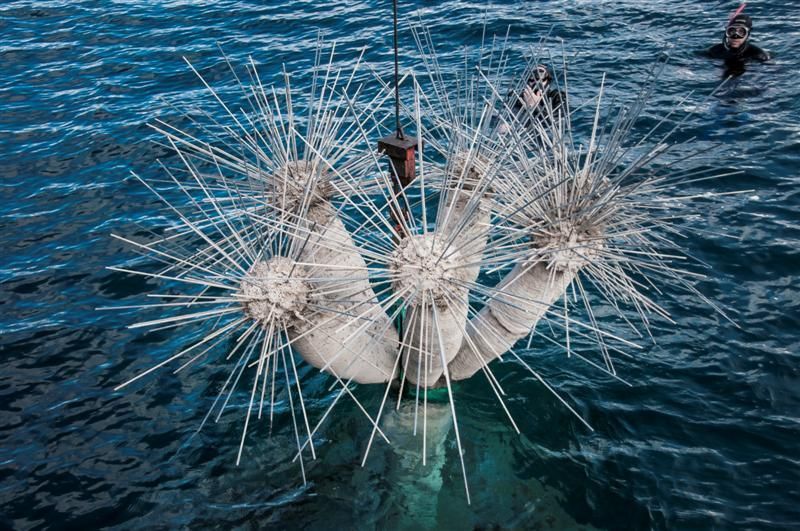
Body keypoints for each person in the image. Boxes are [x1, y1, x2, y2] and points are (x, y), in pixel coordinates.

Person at [498, 64, 564, 135]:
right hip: (522, 133)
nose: (537, 83)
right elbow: (504, 115)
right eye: (532, 79)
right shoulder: (518, 97)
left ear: (548, 81)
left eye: (541, 79)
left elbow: (558, 122)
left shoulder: (556, 96)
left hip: (547, 134)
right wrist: (503, 125)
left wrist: (535, 106)